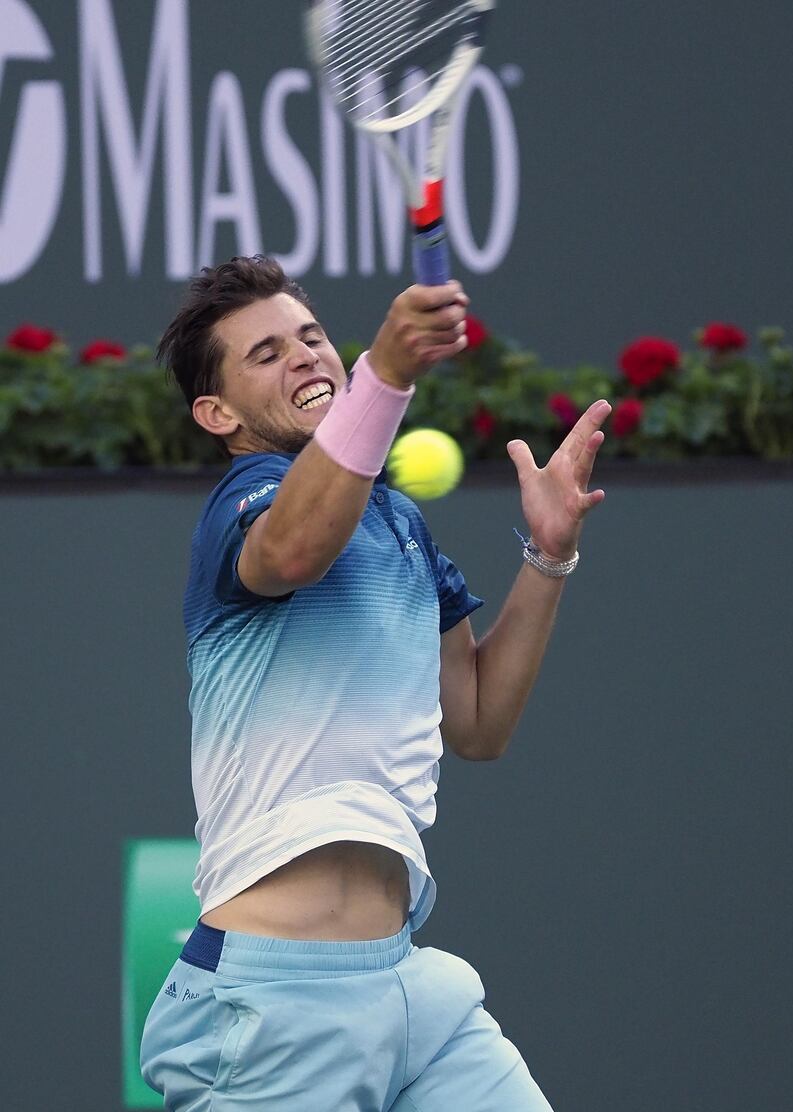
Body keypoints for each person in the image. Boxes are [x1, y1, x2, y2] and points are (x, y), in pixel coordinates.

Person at [139, 255, 610, 1111]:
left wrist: (550, 556)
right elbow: (291, 551)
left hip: (413, 990)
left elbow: (477, 723)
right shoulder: (244, 506)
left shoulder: (398, 523)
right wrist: (385, 373)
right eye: (267, 354)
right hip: (269, 1008)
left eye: (312, 336)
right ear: (218, 413)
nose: (306, 356)